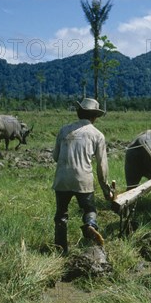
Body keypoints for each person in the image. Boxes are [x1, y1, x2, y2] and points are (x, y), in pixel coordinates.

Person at [52, 98, 114, 254]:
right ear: (95, 117)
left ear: (79, 113)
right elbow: (102, 166)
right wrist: (106, 189)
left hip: (61, 180)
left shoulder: (64, 130)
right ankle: (90, 225)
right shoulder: (97, 135)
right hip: (83, 180)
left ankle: (61, 249)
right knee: (89, 209)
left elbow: (55, 156)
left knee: (61, 215)